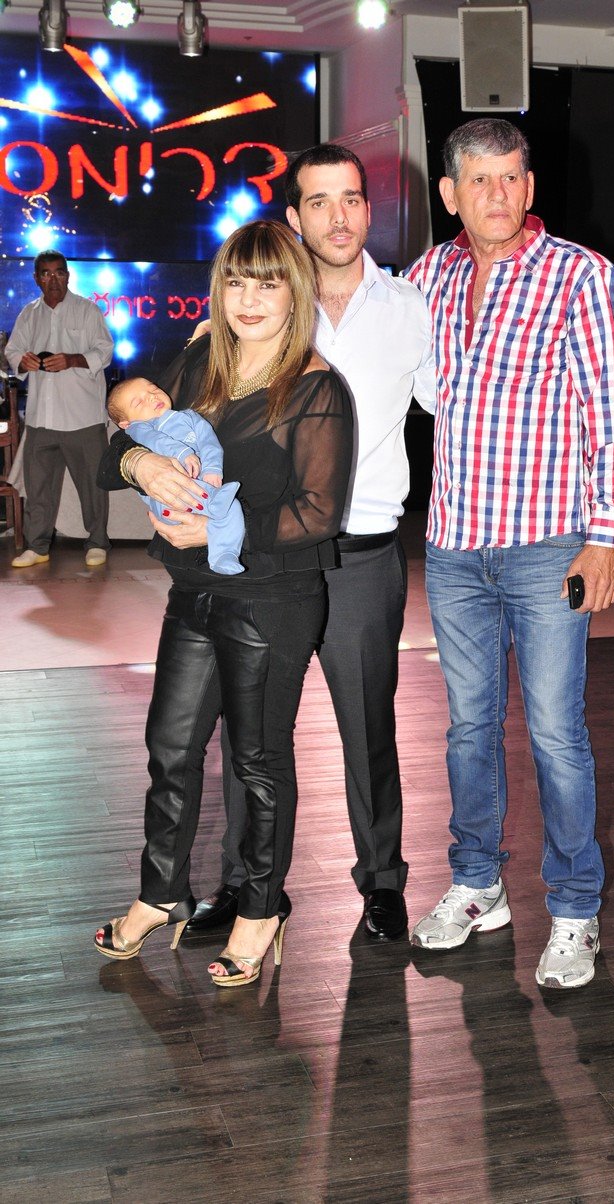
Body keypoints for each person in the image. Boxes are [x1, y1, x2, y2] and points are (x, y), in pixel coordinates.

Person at [405, 119, 614, 988]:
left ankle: (575, 909)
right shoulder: (427, 277)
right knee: (468, 730)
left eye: (512, 178)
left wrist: (605, 536)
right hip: (455, 546)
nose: (498, 194)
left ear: (530, 188)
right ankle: (478, 885)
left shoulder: (580, 275)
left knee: (555, 734)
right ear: (450, 194)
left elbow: (610, 414)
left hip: (549, 544)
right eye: (480, 180)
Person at [185, 145, 436, 942]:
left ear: (368, 208)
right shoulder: (259, 308)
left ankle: (383, 883)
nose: (338, 216)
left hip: (361, 555)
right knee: (251, 731)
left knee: (368, 728)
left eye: (351, 198)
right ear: (294, 217)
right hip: (270, 556)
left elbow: (458, 404)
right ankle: (245, 884)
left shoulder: (411, 307)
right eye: (319, 201)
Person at [93, 220, 353, 987]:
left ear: (294, 292)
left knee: (258, 762)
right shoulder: (200, 362)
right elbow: (119, 442)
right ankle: (160, 894)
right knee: (170, 748)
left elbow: (318, 513)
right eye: (236, 281)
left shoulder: (316, 388)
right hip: (196, 590)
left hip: (272, 599)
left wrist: (217, 526)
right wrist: (141, 464)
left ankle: (262, 909)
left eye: (268, 282)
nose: (250, 298)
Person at [6, 251, 114, 567]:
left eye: (59, 272)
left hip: (83, 416)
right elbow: (13, 351)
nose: (53, 279)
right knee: (38, 487)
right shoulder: (29, 314)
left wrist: (72, 359)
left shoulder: (88, 310)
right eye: (46, 273)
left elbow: (104, 351)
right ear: (36, 278)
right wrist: (22, 361)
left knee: (93, 485)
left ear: (68, 275)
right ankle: (37, 546)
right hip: (41, 417)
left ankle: (97, 543)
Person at [107, 376, 245, 575]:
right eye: (138, 402)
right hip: (169, 499)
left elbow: (209, 443)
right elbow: (155, 440)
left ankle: (224, 555)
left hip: (204, 490)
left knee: (233, 507)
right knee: (221, 504)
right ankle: (214, 504)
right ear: (125, 423)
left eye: (153, 388)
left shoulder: (191, 417)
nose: (152, 397)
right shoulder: (138, 428)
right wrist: (182, 453)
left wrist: (212, 469)